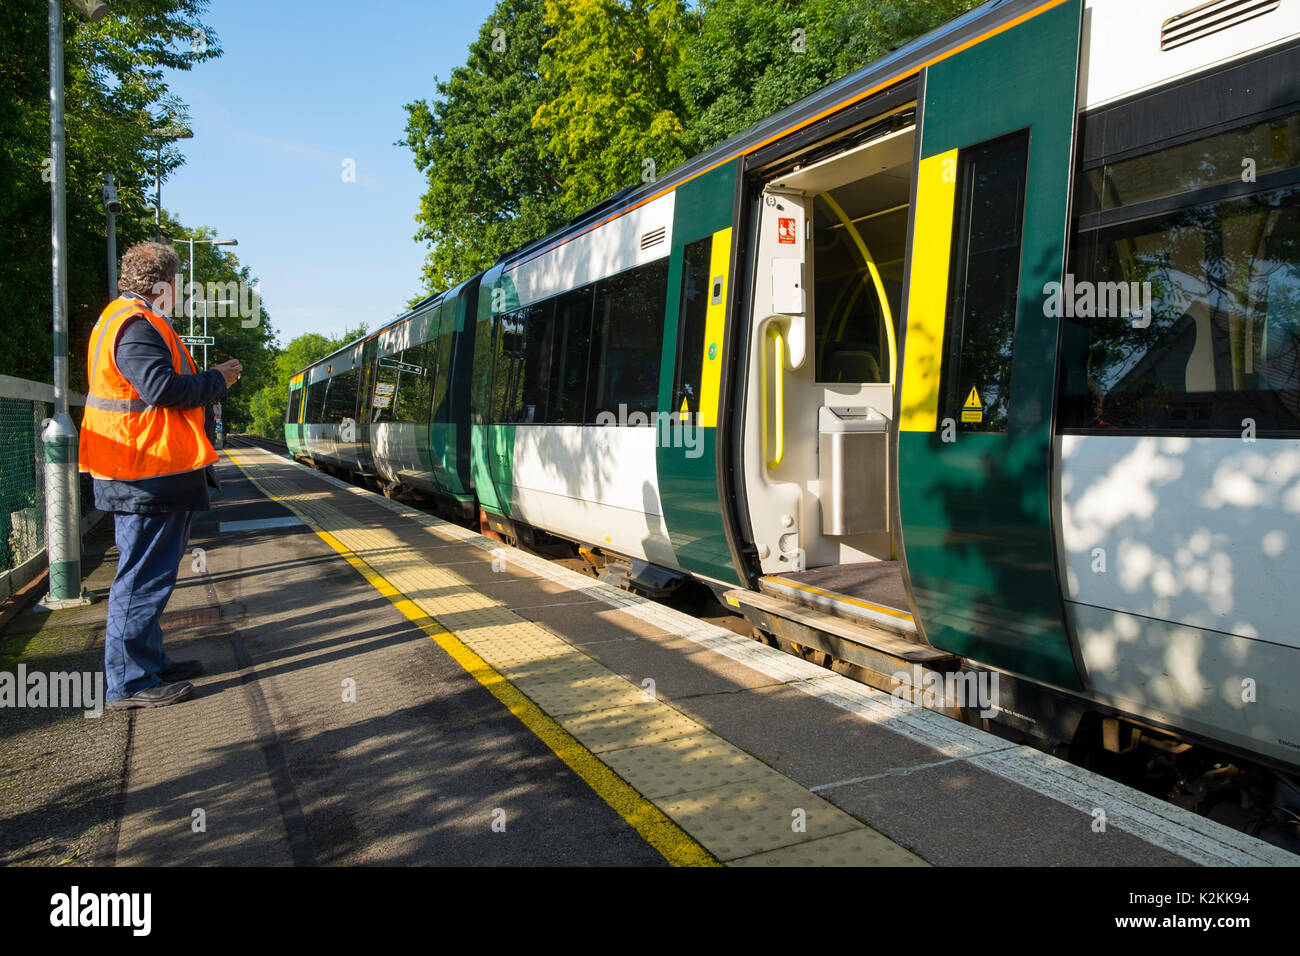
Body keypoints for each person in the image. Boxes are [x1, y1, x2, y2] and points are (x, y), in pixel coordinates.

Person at [79, 241, 243, 709]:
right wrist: (217, 380)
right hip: (142, 470)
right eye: (178, 284)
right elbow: (162, 389)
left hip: (147, 467)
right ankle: (130, 682)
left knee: (152, 575)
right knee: (142, 578)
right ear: (163, 285)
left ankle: (148, 662)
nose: (180, 292)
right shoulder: (135, 326)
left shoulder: (127, 318)